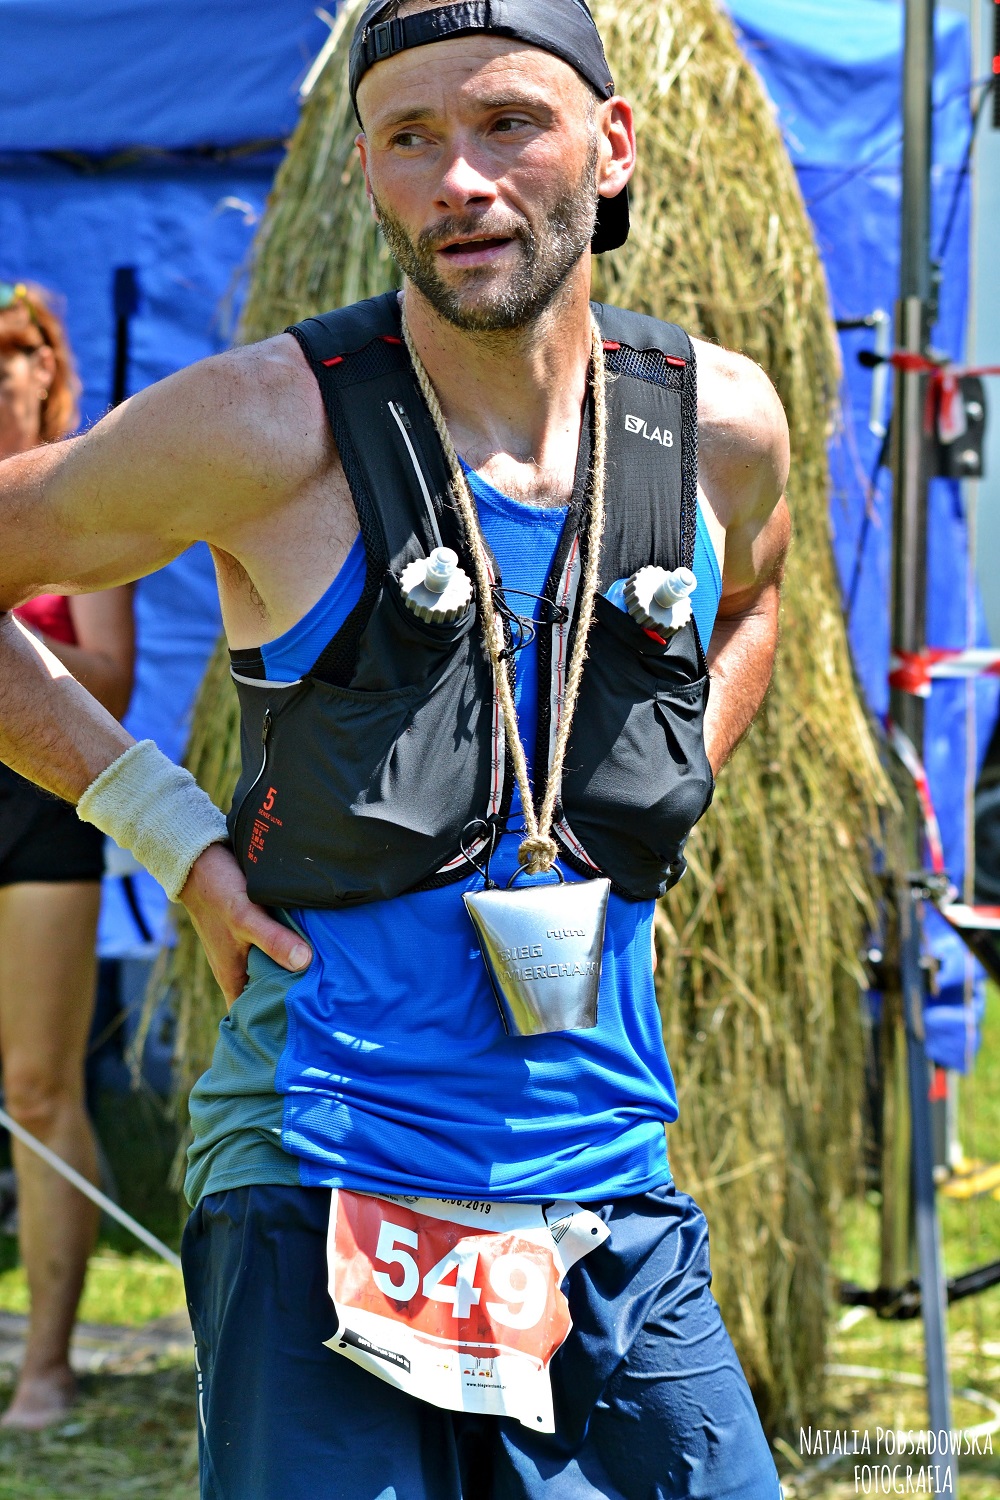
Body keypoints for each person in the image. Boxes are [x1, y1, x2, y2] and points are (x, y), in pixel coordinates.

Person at [0, 1, 791, 1492]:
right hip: (325, 1173)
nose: (460, 181)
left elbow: (753, 591)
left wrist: (649, 780)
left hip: (608, 1184)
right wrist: (171, 834)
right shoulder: (263, 426)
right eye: (411, 139)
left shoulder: (717, 425)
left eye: (508, 124)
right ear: (364, 173)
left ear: (613, 144)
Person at [0, 280, 134, 1429]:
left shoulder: (79, 494)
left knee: (39, 1085)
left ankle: (46, 1364)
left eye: (15, 348)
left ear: (50, 367)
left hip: (43, 798)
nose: (1, 370)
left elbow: (113, 682)